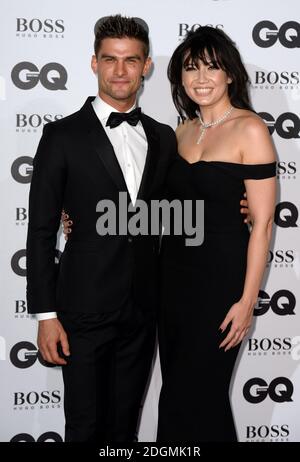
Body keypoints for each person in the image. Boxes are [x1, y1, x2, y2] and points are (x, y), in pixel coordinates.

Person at [26, 14, 177, 442]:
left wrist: (239, 207)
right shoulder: (62, 136)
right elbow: (40, 231)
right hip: (82, 308)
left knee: (124, 426)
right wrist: (46, 315)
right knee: (86, 426)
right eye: (110, 60)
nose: (120, 71)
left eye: (131, 60)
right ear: (94, 63)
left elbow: (181, 207)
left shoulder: (164, 137)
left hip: (143, 309)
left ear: (146, 65)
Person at [156, 26, 276, 442]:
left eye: (212, 66)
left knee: (200, 394)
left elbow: (262, 224)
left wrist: (247, 301)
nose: (201, 78)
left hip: (220, 284)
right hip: (172, 282)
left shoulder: (251, 129)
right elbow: (160, 209)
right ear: (180, 77)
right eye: (191, 68)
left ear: (229, 74)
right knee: (175, 393)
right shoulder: (181, 131)